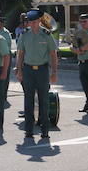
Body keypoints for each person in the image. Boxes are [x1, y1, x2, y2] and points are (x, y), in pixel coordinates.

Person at [15, 9, 58, 139]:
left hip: (42, 71)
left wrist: (54, 72)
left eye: (34, 22)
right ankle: (29, 130)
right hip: (28, 70)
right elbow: (20, 54)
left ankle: (45, 130)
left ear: (39, 21)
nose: (32, 24)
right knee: (28, 101)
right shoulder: (24, 34)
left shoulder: (46, 34)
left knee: (43, 100)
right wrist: (19, 70)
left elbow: (53, 54)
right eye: (30, 22)